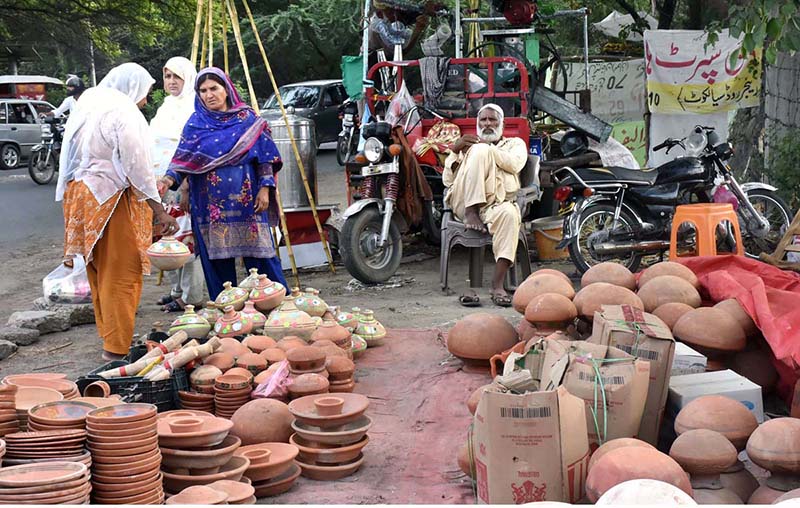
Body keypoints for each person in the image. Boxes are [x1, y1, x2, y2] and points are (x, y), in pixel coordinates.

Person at [56, 63, 179, 361]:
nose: (146, 101)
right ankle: (116, 349)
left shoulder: (91, 105)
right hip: (111, 200)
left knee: (99, 272)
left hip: (81, 197)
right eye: (147, 93)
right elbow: (137, 168)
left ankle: (109, 337)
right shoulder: (123, 112)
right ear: (133, 88)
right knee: (122, 274)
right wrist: (159, 211)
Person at [159, 67, 288, 300]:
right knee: (218, 262)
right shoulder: (196, 123)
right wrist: (166, 181)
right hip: (209, 206)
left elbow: (267, 158)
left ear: (227, 90)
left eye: (214, 89)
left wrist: (265, 189)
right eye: (203, 90)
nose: (209, 95)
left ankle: (279, 305)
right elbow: (182, 160)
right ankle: (227, 311)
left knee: (261, 258)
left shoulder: (249, 120)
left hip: (248, 201)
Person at [443, 103, 527, 308]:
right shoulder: (468, 146)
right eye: (483, 120)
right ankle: (472, 211)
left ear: (502, 124)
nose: (487, 123)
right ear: (477, 123)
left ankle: (497, 285)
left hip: (496, 205)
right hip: (464, 204)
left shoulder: (515, 144)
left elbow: (515, 164)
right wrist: (456, 151)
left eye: (492, 120)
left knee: (509, 214)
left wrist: (489, 151)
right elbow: (448, 181)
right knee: (479, 149)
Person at [149, 56, 205, 312]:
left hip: (184, 183)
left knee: (187, 240)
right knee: (169, 237)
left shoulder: (195, 107)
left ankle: (191, 296)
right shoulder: (167, 106)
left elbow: (192, 152)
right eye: (167, 76)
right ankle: (177, 290)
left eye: (176, 77)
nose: (171, 82)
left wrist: (185, 186)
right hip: (161, 183)